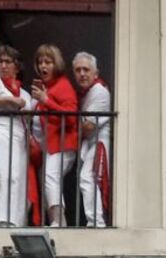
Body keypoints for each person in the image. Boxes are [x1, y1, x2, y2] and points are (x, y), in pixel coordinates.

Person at [0, 45, 32, 227]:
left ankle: (17, 222)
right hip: (1, 130)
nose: (2, 65)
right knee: (5, 175)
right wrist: (9, 100)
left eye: (7, 62)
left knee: (19, 179)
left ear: (16, 67)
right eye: (0, 61)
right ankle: (3, 219)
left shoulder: (24, 93)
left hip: (20, 136)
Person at [30, 44, 78, 226]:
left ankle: (59, 221)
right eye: (40, 62)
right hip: (52, 145)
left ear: (55, 64)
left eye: (48, 62)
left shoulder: (63, 85)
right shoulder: (48, 87)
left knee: (50, 176)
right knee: (48, 179)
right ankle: (55, 220)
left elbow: (72, 118)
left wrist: (46, 101)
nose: (43, 66)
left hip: (64, 144)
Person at [72, 52, 111, 227]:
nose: (82, 73)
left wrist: (70, 130)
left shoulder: (99, 92)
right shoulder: (85, 94)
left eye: (86, 69)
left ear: (96, 73)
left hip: (98, 143)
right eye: (78, 70)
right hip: (89, 145)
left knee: (88, 178)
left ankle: (96, 223)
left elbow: (88, 127)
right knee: (87, 179)